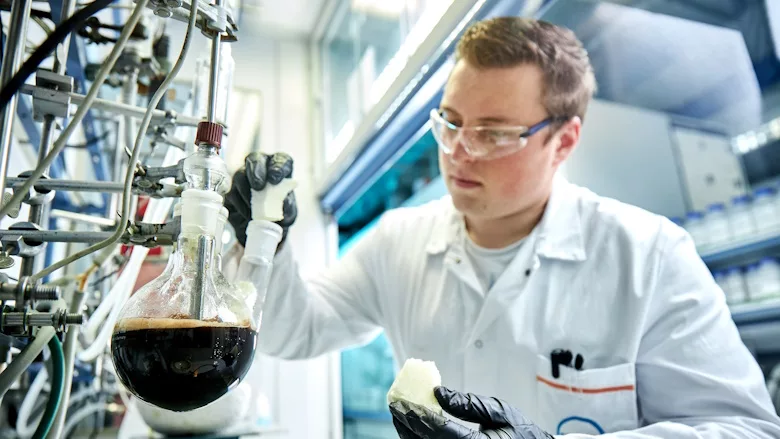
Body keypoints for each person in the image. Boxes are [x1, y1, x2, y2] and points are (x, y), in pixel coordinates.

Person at [224, 16, 780, 438]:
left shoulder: (648, 255)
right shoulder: (398, 242)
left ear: (563, 141)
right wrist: (263, 242)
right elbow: (293, 331)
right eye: (451, 123)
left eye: (493, 133)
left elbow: (745, 428)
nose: (459, 152)